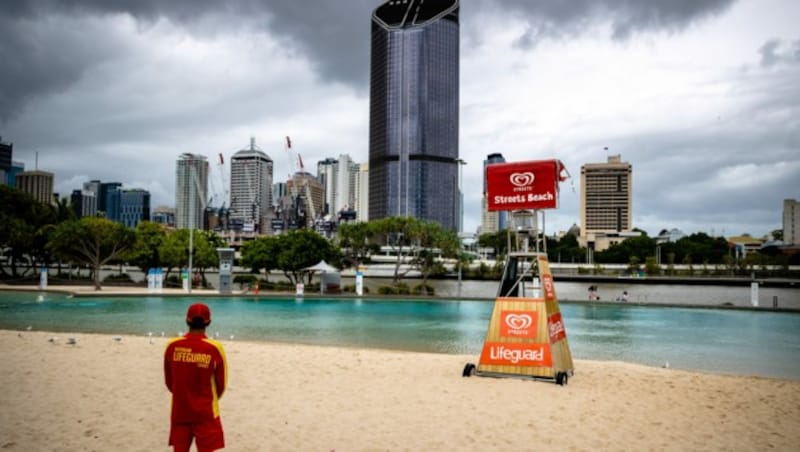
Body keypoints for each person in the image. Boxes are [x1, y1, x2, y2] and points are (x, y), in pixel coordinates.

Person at [164, 303, 228, 452]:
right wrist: (204, 399)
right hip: (205, 412)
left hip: (180, 410)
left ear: (187, 321)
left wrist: (184, 395)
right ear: (209, 322)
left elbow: (169, 382)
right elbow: (221, 385)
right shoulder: (214, 348)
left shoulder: (172, 346)